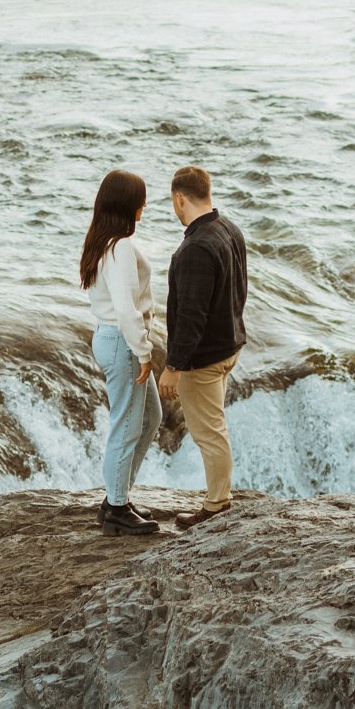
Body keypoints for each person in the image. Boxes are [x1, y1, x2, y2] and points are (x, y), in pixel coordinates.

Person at [156, 165, 247, 529]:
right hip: (229, 346)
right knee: (215, 426)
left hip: (205, 359)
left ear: (180, 199)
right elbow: (238, 290)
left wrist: (173, 367)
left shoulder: (195, 248)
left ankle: (217, 505)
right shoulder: (229, 229)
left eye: (172, 202)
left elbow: (191, 316)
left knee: (209, 433)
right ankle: (220, 496)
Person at [79, 169, 163, 537]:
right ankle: (116, 507)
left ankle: (118, 494)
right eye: (141, 198)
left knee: (149, 418)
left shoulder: (103, 242)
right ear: (127, 204)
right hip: (122, 340)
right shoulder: (121, 246)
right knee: (127, 425)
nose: (145, 204)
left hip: (110, 337)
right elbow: (127, 308)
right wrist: (144, 352)